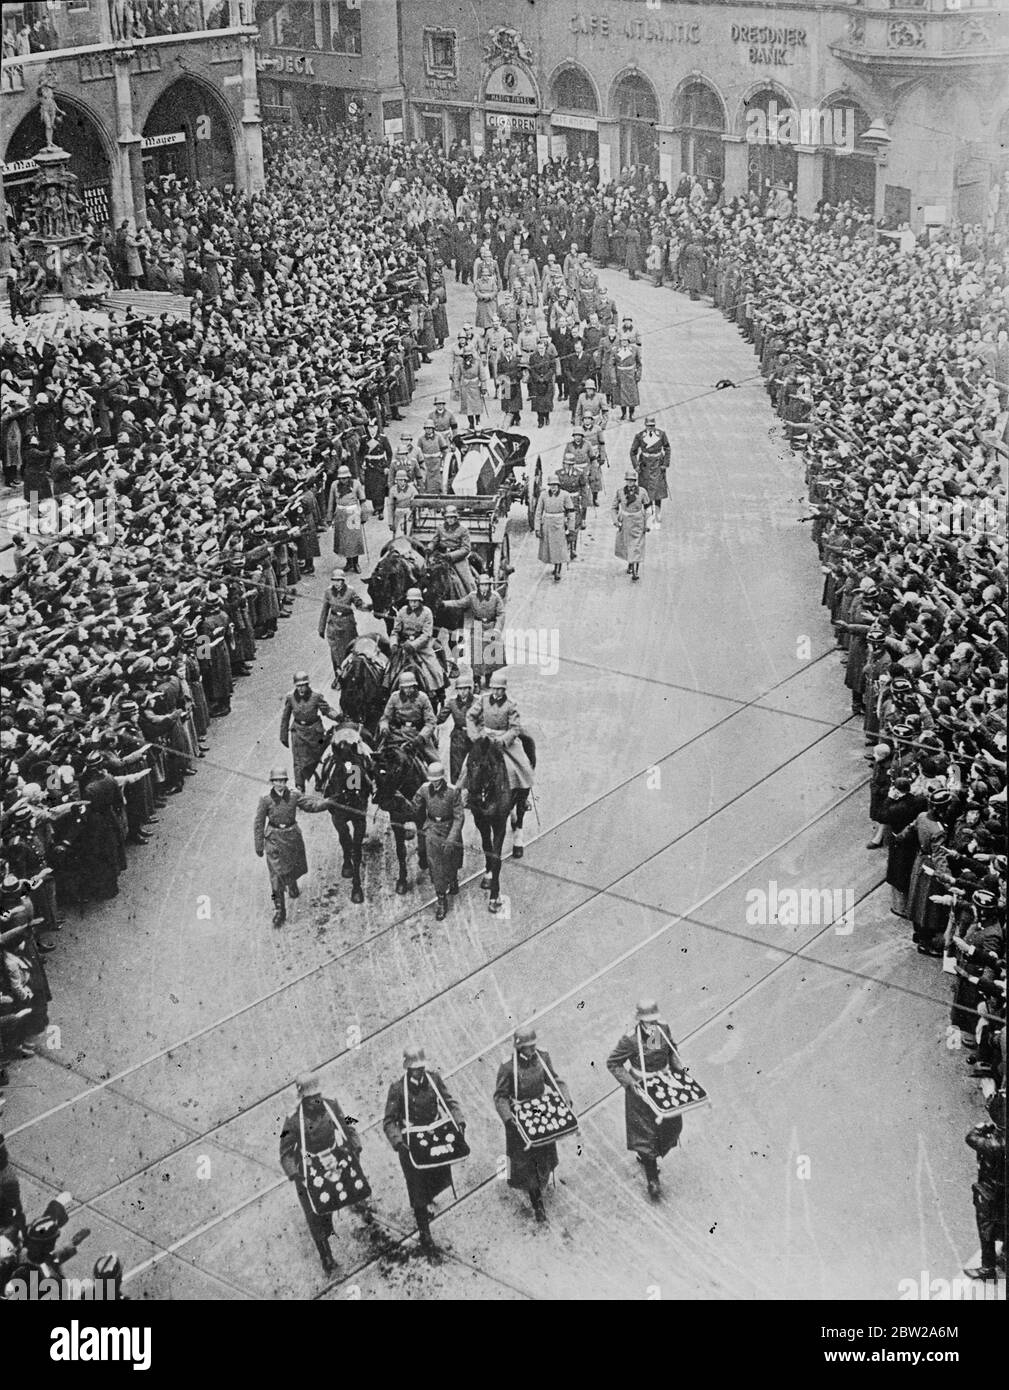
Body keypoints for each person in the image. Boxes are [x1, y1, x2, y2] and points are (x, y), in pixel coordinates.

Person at [279, 1071, 368, 1275]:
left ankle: (361, 1206)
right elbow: (285, 1152)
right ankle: (326, 1256)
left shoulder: (332, 1105)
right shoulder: (292, 1120)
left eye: (317, 1096)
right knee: (315, 1212)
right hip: (309, 1164)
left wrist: (355, 1146)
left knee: (355, 1184)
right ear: (303, 1098)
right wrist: (295, 1173)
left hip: (334, 1156)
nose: (315, 1101)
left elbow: (350, 1124)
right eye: (310, 1099)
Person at [383, 1045, 466, 1261]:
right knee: (417, 1188)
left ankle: (425, 1205)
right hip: (411, 1142)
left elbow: (449, 1102)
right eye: (414, 1069)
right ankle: (425, 1233)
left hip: (434, 1136)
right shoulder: (397, 1089)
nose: (418, 1072)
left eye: (420, 1068)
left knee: (436, 1179)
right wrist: (398, 1142)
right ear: (408, 1069)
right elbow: (389, 1121)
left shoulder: (434, 1080)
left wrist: (459, 1121)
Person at [607, 999, 685, 1200]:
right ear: (640, 1020)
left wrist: (679, 1070)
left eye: (653, 1020)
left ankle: (648, 1156)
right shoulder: (630, 1040)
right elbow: (613, 1063)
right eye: (647, 1021)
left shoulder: (662, 1029)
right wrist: (630, 1082)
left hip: (664, 1085)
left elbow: (671, 1049)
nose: (651, 1025)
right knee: (646, 1135)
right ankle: (652, 1180)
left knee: (670, 1126)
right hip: (641, 1092)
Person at [493, 1026, 572, 1224]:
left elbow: (554, 1079)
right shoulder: (508, 1067)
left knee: (545, 1154)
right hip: (519, 1117)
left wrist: (565, 1098)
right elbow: (500, 1096)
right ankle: (537, 1204)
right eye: (528, 1047)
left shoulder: (542, 1058)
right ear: (519, 1048)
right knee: (526, 1164)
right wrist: (508, 1117)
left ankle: (544, 1180)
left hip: (540, 1111)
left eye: (533, 1045)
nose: (532, 1050)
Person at [252, 767, 333, 927]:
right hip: (274, 839)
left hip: (292, 836)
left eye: (282, 781)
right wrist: (259, 844)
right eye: (277, 781)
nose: (280, 784)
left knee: (294, 865)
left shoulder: (294, 795)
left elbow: (310, 806)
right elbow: (259, 823)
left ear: (286, 781)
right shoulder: (265, 799)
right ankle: (279, 910)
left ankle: (292, 883)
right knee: (276, 876)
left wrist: (329, 802)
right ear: (272, 782)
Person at [962, 1089, 1005, 1282]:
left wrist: (980, 1128)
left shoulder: (995, 1143)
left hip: (991, 1190)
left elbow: (971, 1138)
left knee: (985, 1228)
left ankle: (988, 1268)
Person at [411, 761, 464, 920]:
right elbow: (414, 807)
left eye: (437, 780)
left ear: (442, 779)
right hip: (432, 828)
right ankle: (441, 899)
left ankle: (453, 879)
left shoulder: (453, 792)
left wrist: (452, 838)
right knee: (436, 865)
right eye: (432, 780)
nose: (434, 783)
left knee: (453, 857)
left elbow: (459, 817)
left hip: (449, 828)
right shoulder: (424, 789)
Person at [441, 570, 505, 686]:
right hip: (477, 627)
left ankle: (488, 677)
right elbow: (459, 603)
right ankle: (476, 681)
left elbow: (501, 613)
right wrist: (444, 603)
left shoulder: (496, 597)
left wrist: (497, 629)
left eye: (486, 585)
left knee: (490, 655)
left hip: (491, 627)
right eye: (482, 585)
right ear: (478, 586)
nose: (484, 588)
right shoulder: (472, 596)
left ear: (489, 586)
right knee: (476, 656)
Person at [279, 672, 334, 792]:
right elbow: (285, 717)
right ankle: (300, 786)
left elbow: (327, 710)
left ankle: (320, 779)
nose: (301, 688)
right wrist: (283, 735)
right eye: (298, 686)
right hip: (298, 732)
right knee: (298, 761)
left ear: (308, 685)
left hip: (315, 733)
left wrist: (339, 717)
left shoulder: (316, 696)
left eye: (303, 685)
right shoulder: (290, 697)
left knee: (316, 758)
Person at [318, 568, 372, 688]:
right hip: (333, 625)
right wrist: (321, 628)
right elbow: (324, 610)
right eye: (334, 580)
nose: (337, 583)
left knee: (350, 651)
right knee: (335, 652)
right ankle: (339, 678)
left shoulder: (350, 591)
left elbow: (359, 604)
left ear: (343, 581)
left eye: (339, 581)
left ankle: (351, 676)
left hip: (348, 624)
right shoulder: (328, 592)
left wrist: (368, 607)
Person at [379, 670, 438, 761]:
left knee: (435, 761)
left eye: (411, 687)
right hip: (398, 734)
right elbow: (385, 718)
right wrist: (384, 728)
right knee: (379, 755)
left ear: (415, 687)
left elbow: (430, 722)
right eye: (405, 688)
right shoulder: (394, 697)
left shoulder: (423, 698)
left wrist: (421, 737)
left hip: (417, 734)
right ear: (401, 688)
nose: (408, 690)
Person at [629, 414, 670, 527]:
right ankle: (648, 513)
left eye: (652, 426)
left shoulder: (661, 434)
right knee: (645, 488)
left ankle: (657, 512)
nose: (650, 428)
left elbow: (667, 448)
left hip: (657, 464)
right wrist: (636, 466)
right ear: (645, 425)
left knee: (658, 488)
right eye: (648, 426)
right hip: (645, 465)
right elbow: (633, 451)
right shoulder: (639, 436)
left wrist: (665, 464)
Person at [437, 666, 476, 781]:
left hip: (474, 736)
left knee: (475, 767)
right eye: (460, 689)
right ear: (457, 690)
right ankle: (455, 792)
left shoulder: (477, 702)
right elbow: (440, 718)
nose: (463, 692)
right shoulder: (452, 703)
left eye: (465, 689)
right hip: (458, 736)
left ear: (469, 689)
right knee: (456, 768)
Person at [326, 464, 367, 575]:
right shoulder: (334, 485)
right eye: (341, 478)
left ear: (349, 477)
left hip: (353, 514)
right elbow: (331, 501)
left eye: (345, 478)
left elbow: (363, 500)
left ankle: (356, 563)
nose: (343, 480)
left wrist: (364, 514)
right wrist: (329, 516)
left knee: (354, 539)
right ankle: (348, 562)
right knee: (343, 540)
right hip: (340, 514)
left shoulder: (356, 484)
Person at [534, 471, 575, 581]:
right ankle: (554, 566)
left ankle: (558, 570)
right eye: (551, 485)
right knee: (549, 548)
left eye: (555, 485)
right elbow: (538, 512)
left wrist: (571, 528)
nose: (553, 488)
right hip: (547, 524)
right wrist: (537, 528)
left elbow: (571, 512)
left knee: (559, 548)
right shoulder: (543, 495)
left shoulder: (565, 495)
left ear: (558, 485)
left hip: (559, 525)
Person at [613, 469, 651, 582]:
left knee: (637, 545)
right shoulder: (620, 492)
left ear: (635, 481)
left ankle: (635, 571)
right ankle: (630, 563)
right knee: (627, 544)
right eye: (628, 481)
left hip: (638, 521)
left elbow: (648, 508)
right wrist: (615, 520)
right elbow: (613, 507)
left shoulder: (642, 492)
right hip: (625, 521)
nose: (630, 483)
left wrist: (648, 523)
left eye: (632, 481)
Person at [451, 348, 489, 430]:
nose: (468, 357)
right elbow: (456, 377)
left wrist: (484, 387)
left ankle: (478, 421)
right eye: (466, 356)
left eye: (470, 356)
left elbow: (482, 376)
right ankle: (471, 423)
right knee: (468, 407)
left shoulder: (478, 363)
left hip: (475, 386)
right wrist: (457, 388)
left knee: (477, 406)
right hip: (465, 387)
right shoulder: (460, 363)